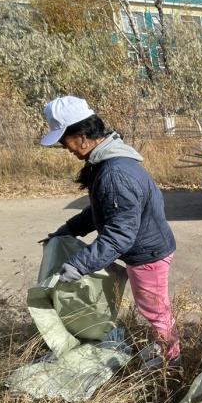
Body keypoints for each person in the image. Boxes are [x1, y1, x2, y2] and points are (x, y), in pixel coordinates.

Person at [40, 96, 181, 369]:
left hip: (147, 254)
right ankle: (166, 351)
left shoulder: (114, 173)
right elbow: (100, 213)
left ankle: (171, 363)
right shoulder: (105, 161)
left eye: (63, 139)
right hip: (147, 248)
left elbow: (119, 235)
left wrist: (77, 265)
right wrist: (66, 231)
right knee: (154, 307)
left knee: (155, 310)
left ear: (81, 136)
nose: (62, 146)